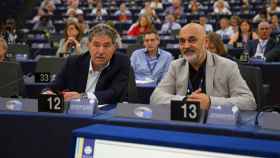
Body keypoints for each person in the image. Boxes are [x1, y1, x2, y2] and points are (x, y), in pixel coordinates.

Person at [150, 23, 256, 110]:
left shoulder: (228, 66)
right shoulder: (176, 66)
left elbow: (248, 102)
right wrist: (185, 100)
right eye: (182, 41)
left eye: (192, 40)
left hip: (215, 127)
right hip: (183, 125)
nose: (186, 46)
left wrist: (210, 102)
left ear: (205, 42)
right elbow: (155, 98)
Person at [46, 23, 130, 104]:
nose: (101, 51)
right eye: (96, 45)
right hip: (75, 113)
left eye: (106, 46)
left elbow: (114, 93)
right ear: (88, 46)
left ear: (114, 47)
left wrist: (82, 96)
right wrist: (48, 93)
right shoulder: (72, 62)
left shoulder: (121, 62)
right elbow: (53, 87)